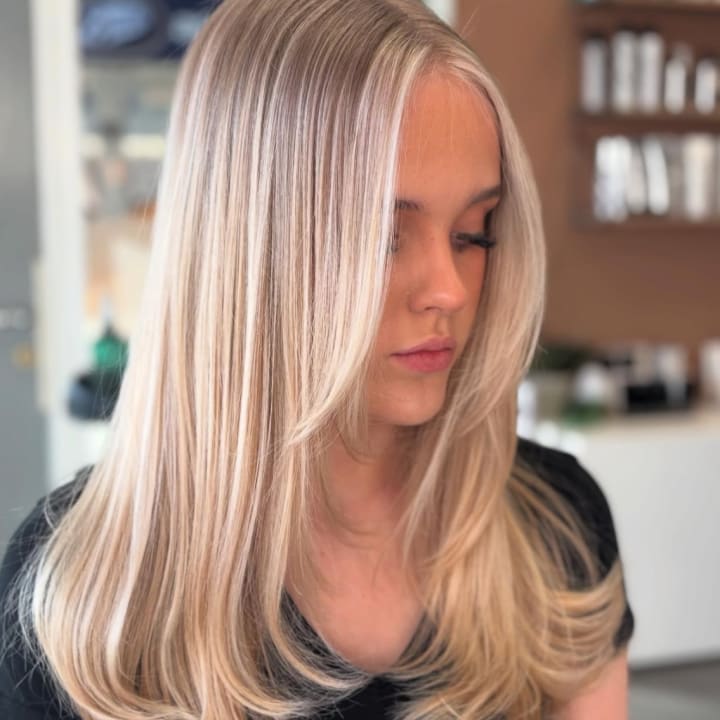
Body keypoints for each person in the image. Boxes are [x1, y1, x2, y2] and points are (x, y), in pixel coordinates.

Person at [0, 1, 634, 718]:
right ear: (245, 247)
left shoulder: (555, 531)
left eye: (473, 233)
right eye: (381, 237)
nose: (450, 290)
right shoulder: (76, 598)